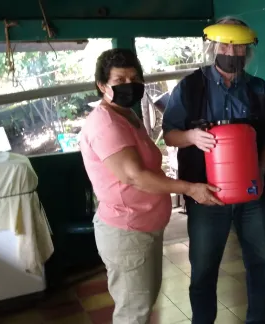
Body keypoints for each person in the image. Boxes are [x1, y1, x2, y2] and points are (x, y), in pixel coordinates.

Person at [79, 48, 222, 324]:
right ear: (101, 85)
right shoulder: (106, 124)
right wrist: (191, 188)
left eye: (134, 77)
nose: (128, 85)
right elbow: (135, 176)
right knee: (134, 311)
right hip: (126, 230)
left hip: (143, 228)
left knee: (143, 303)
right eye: (119, 80)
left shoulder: (127, 115)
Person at [162, 18, 265, 324]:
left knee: (260, 263)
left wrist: (256, 169)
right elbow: (170, 134)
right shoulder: (190, 88)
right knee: (203, 269)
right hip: (205, 195)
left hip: (250, 197)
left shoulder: (257, 90)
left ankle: (258, 319)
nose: (232, 51)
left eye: (238, 45)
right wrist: (190, 137)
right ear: (214, 46)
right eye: (226, 44)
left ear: (246, 50)